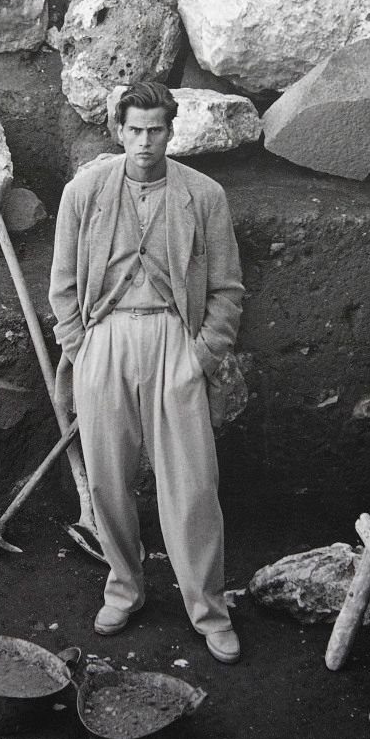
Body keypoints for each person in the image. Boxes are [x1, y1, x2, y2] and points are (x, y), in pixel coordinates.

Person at [48, 81, 244, 663]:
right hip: (104, 340)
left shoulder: (204, 196)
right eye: (134, 130)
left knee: (193, 485)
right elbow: (62, 282)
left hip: (172, 340)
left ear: (171, 131)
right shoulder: (84, 192)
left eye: (156, 129)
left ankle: (208, 608)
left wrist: (203, 352)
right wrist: (79, 345)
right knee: (108, 479)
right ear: (118, 131)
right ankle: (125, 588)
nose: (144, 142)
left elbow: (228, 289)